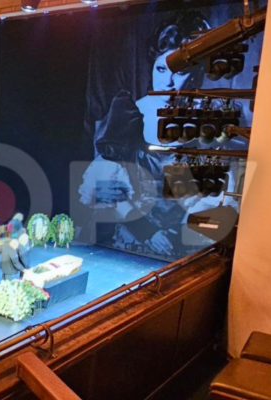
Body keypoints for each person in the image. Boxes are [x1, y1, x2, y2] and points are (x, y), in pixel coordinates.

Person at [78, 12, 235, 259]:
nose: (167, 81)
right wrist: (147, 232)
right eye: (161, 68)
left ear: (196, 74)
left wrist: (180, 233)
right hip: (134, 235)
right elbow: (106, 187)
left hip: (186, 238)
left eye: (180, 72)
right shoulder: (129, 114)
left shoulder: (209, 122)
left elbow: (217, 193)